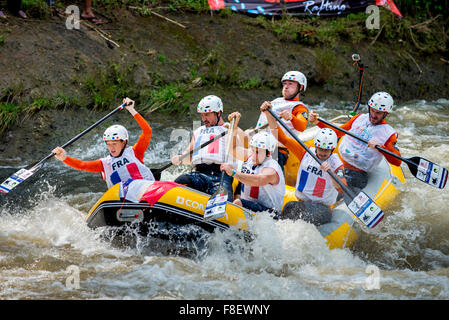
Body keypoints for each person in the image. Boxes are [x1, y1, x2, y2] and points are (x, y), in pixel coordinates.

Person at [261, 103, 346, 226]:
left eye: (326, 150)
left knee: (291, 207)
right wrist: (269, 115)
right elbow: (282, 138)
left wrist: (332, 174)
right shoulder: (306, 152)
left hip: (322, 210)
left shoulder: (336, 164)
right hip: (302, 203)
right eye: (320, 149)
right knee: (290, 208)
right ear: (316, 145)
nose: (322, 153)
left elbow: (342, 188)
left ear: (332, 149)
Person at [52, 97, 154, 188]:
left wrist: (131, 110)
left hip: (145, 191)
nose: (111, 148)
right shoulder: (105, 163)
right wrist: (63, 158)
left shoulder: (135, 152)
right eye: (108, 144)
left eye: (114, 143)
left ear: (123, 143)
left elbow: (147, 131)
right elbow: (82, 165)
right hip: (125, 200)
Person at [309, 91, 402, 191]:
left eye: (378, 113)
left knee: (326, 189)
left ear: (386, 113)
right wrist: (317, 122)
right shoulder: (359, 118)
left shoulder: (388, 134)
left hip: (356, 174)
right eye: (372, 110)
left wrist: (381, 147)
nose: (374, 115)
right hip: (336, 164)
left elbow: (397, 161)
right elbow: (336, 132)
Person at [171, 95, 241, 202]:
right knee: (181, 180)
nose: (204, 119)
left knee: (223, 200)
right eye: (202, 115)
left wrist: (234, 127)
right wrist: (180, 158)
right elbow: (188, 156)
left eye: (207, 114)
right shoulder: (198, 131)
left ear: (218, 113)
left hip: (221, 176)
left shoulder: (230, 128)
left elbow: (237, 150)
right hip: (199, 174)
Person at [220, 112, 285, 214]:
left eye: (258, 152)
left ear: (268, 153)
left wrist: (233, 173)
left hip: (269, 213)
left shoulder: (271, 168)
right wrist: (234, 126)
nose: (254, 155)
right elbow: (233, 148)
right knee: (238, 201)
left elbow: (259, 180)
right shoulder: (251, 155)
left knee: (238, 202)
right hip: (250, 206)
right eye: (253, 150)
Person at [250, 71, 309, 172]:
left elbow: (302, 126)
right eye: (285, 83)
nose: (286, 86)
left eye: (290, 84)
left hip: (276, 150)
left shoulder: (299, 108)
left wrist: (291, 117)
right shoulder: (276, 101)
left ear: (300, 88)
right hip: (257, 145)